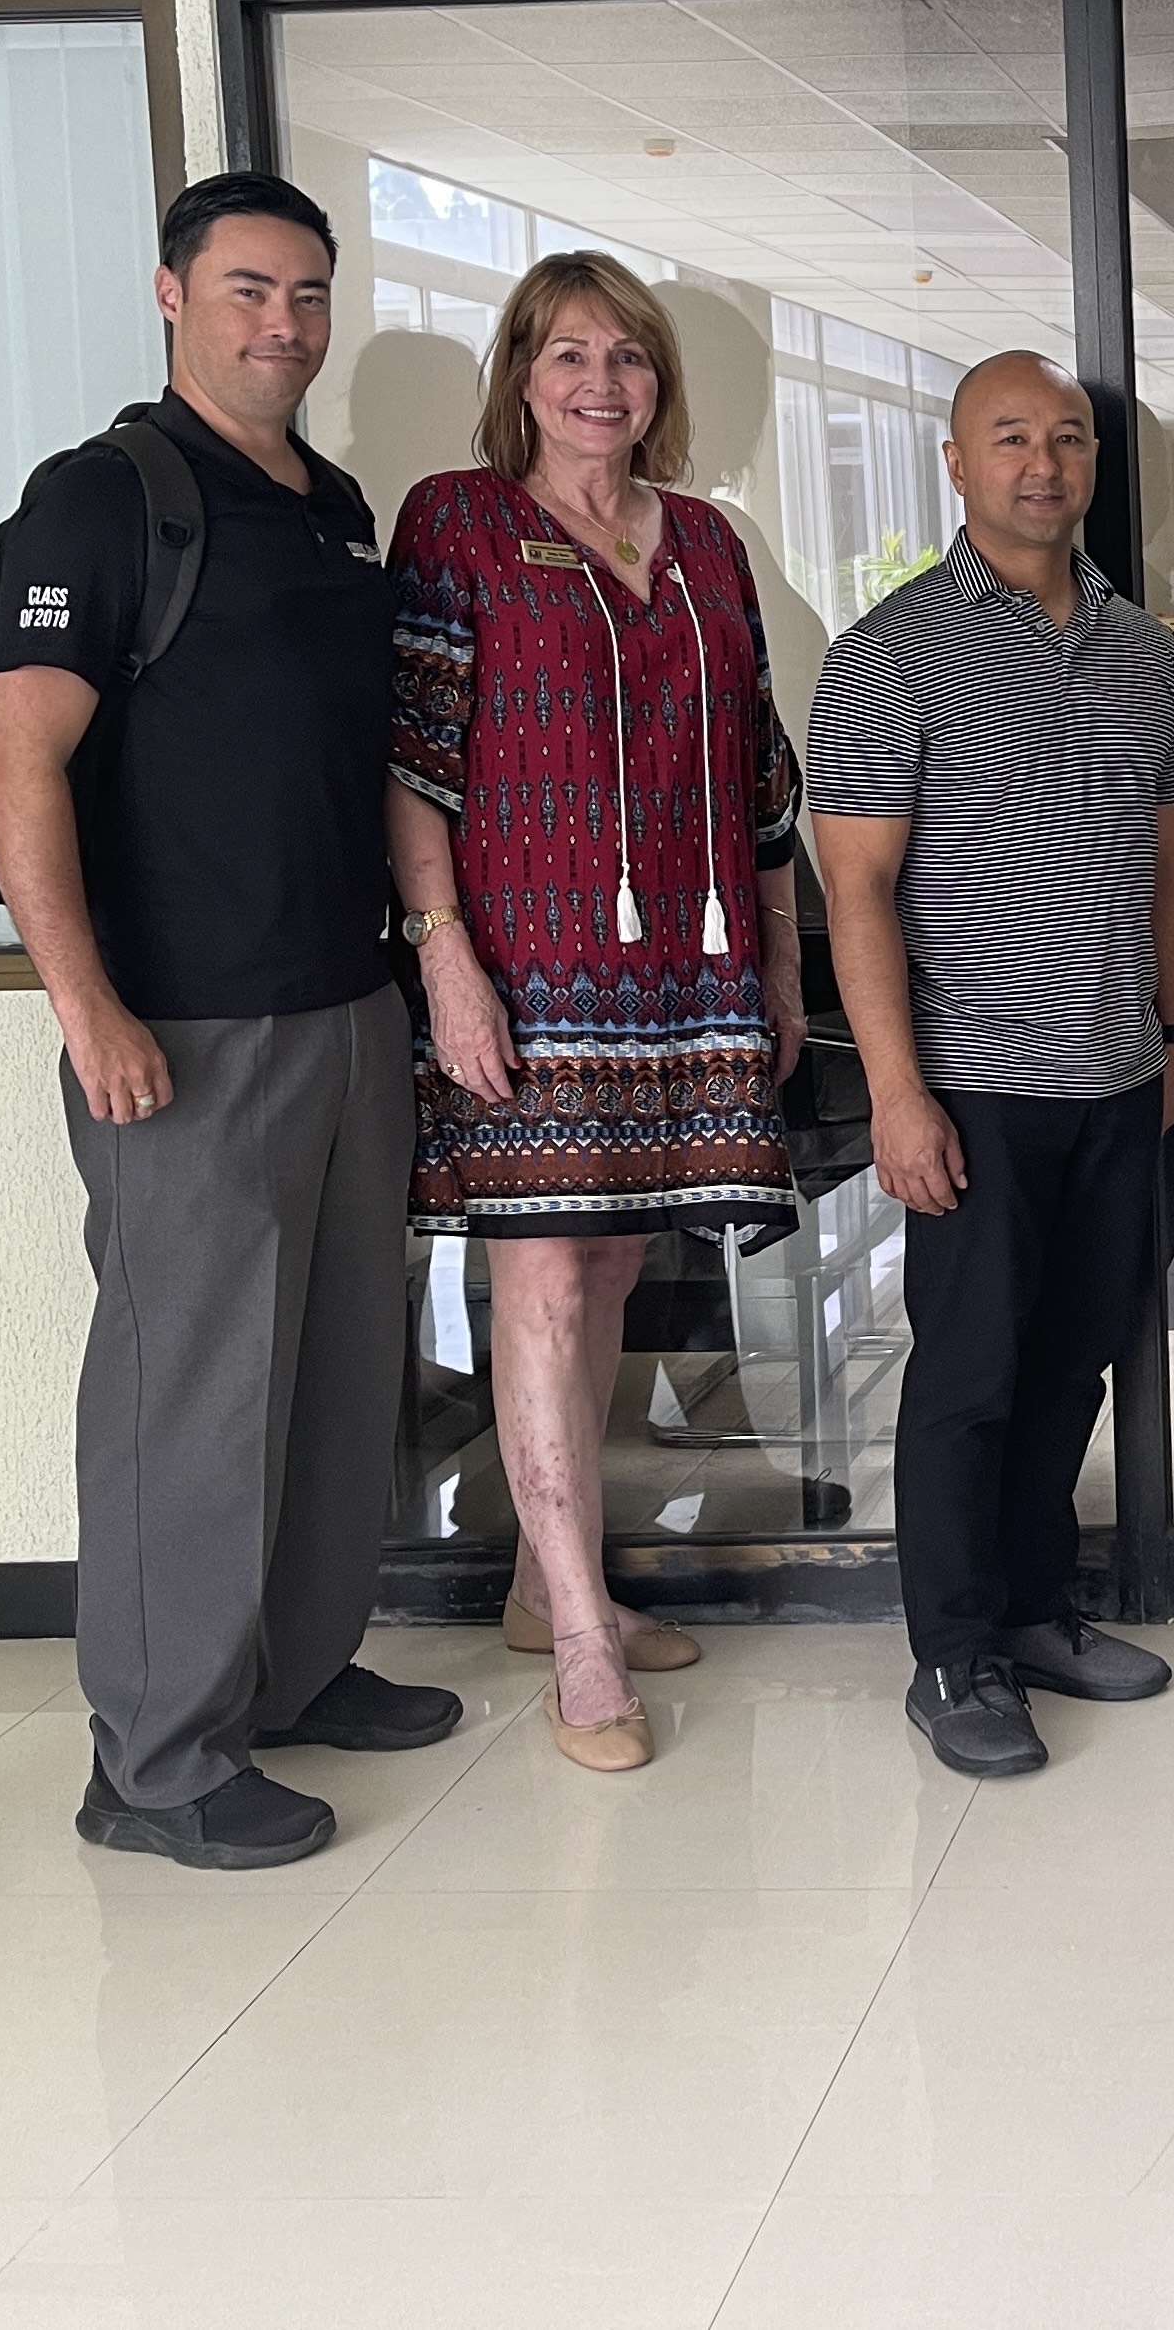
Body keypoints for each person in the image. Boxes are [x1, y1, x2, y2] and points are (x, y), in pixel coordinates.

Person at [0, 171, 458, 1873]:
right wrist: (84, 1003)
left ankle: (297, 1666)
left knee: (334, 1373)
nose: (285, 324)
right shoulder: (106, 499)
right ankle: (159, 1763)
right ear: (172, 294)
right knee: (188, 1390)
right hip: (179, 1025)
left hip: (340, 1004)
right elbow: (14, 760)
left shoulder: (329, 501)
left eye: (311, 294)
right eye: (251, 288)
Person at [386, 252, 810, 1773]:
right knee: (546, 1278)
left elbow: (759, 769)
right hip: (529, 961)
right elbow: (414, 760)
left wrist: (779, 961)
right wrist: (444, 961)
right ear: (519, 374)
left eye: (628, 357)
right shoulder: (457, 522)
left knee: (620, 1255)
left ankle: (531, 1582)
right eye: (569, 354)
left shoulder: (704, 539)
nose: (601, 383)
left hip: (682, 968)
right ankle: (581, 1633)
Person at [806, 351, 1174, 1780]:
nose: (1045, 465)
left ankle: (1036, 1610)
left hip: (1109, 1075)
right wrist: (898, 1094)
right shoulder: (888, 653)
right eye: (1011, 439)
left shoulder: (1140, 647)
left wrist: (1168, 1030)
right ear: (957, 467)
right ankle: (953, 1655)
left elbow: (1168, 856)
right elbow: (855, 893)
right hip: (969, 1081)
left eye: (1069, 440)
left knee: (1072, 1364)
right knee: (967, 1380)